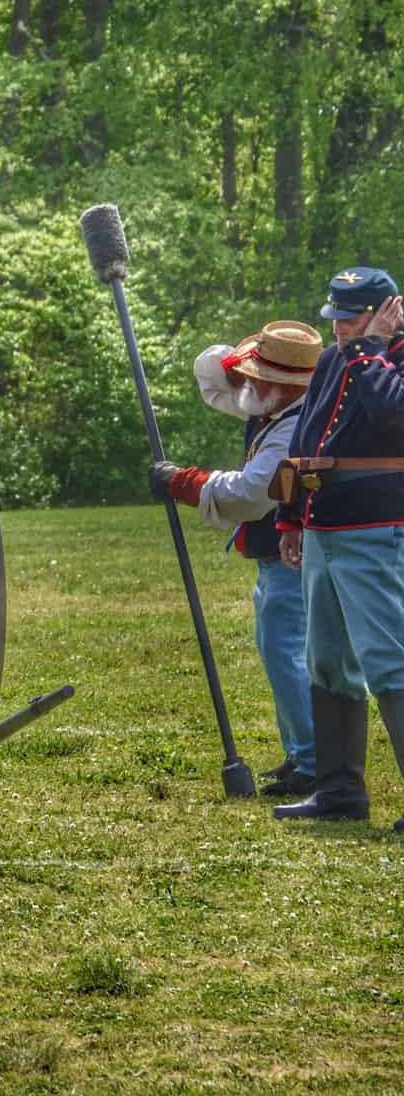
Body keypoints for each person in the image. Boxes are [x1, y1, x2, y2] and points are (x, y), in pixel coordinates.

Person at [150, 321, 322, 797]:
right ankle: (302, 754)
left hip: (295, 555)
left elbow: (252, 494)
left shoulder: (293, 423)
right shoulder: (274, 403)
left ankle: (313, 761)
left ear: (287, 387)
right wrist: (249, 357)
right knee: (281, 651)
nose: (248, 383)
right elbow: (211, 375)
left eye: (260, 376)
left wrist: (185, 483)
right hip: (278, 556)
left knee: (288, 654)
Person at [273, 266, 404, 828]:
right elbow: (308, 439)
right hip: (323, 526)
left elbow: (393, 415)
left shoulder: (386, 357)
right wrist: (291, 519)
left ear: (383, 312)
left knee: (389, 662)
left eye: (351, 319)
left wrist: (371, 348)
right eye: (337, 318)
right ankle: (339, 793)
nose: (339, 330)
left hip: (376, 527)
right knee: (327, 663)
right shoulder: (332, 359)